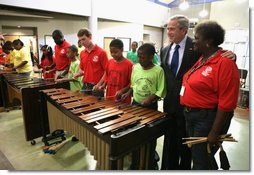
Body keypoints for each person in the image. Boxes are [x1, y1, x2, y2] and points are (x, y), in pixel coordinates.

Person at [160, 15, 236, 170]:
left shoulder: (197, 49)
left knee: (195, 155)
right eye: (167, 28)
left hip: (202, 116)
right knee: (172, 145)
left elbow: (216, 55)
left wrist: (231, 55)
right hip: (176, 108)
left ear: (184, 30)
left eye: (172, 28)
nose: (168, 32)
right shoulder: (166, 50)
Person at [180, 21, 239, 170]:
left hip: (206, 119)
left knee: (200, 160)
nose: (194, 40)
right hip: (191, 115)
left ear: (209, 41)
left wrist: (214, 132)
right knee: (201, 156)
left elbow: (227, 102)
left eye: (197, 38)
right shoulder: (202, 58)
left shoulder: (225, 63)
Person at [122, 43, 166, 170]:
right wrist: (128, 93)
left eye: (143, 57)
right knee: (135, 135)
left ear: (151, 56)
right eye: (139, 57)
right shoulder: (135, 68)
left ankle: (151, 159)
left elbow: (161, 91)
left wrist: (150, 98)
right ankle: (135, 161)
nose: (140, 60)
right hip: (135, 105)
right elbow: (133, 85)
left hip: (150, 108)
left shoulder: (158, 70)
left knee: (149, 135)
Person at [93, 39, 133, 104]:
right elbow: (107, 76)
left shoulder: (129, 65)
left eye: (115, 52)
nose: (113, 54)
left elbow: (132, 84)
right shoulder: (110, 62)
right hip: (109, 97)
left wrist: (122, 91)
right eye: (111, 52)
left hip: (122, 99)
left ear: (122, 50)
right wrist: (102, 85)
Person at [74, 28, 108, 97]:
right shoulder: (82, 53)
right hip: (85, 86)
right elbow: (82, 70)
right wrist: (78, 74)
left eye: (83, 39)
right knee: (84, 107)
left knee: (97, 108)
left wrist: (99, 84)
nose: (82, 42)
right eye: (80, 40)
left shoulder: (101, 52)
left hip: (96, 87)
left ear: (90, 37)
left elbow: (106, 72)